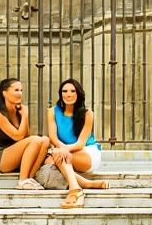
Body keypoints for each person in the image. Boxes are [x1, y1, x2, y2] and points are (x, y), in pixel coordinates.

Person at [45, 77, 109, 209]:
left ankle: (75, 190)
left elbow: (80, 143)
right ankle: (84, 184)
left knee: (56, 156)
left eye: (72, 91)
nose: (68, 94)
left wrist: (62, 150)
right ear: (60, 93)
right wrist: (61, 149)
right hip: (64, 152)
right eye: (65, 91)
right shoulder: (52, 111)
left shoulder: (87, 114)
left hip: (87, 152)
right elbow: (53, 138)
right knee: (49, 161)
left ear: (78, 93)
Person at [0, 77, 51, 190]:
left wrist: (23, 116)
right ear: (5, 93)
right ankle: (22, 181)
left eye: (21, 90)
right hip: (0, 158)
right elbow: (18, 136)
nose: (20, 93)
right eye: (16, 90)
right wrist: (26, 115)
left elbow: (26, 137)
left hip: (15, 156)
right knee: (36, 139)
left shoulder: (18, 113)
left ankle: (29, 179)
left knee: (45, 140)